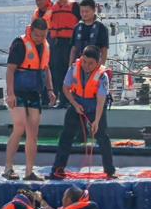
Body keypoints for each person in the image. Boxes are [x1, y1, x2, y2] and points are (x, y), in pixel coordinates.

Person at [49, 45, 117, 180]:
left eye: (91, 63)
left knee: (102, 137)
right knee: (66, 136)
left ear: (97, 63)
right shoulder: (74, 68)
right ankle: (58, 169)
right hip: (77, 102)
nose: (86, 65)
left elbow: (101, 99)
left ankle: (110, 171)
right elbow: (65, 88)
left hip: (95, 106)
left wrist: (96, 121)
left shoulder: (102, 76)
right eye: (84, 61)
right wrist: (75, 105)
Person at [3, 18, 56, 181]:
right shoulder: (20, 44)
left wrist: (50, 90)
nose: (40, 38)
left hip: (34, 93)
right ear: (31, 31)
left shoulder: (46, 46)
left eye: (43, 35)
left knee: (33, 133)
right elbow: (10, 70)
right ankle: (8, 168)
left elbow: (46, 69)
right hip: (18, 92)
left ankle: (29, 171)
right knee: (19, 127)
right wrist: (10, 94)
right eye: (37, 35)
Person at [48, 0, 81, 108]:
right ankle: (61, 100)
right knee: (57, 72)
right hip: (56, 44)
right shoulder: (53, 8)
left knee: (70, 71)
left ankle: (71, 100)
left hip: (70, 44)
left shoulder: (74, 6)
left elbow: (81, 23)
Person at [69, 0, 109, 66]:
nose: (84, 14)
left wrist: (101, 66)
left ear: (94, 10)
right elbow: (74, 49)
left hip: (95, 65)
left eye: (87, 11)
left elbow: (104, 50)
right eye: (82, 11)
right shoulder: (77, 28)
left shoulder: (102, 28)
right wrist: (70, 65)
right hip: (79, 65)